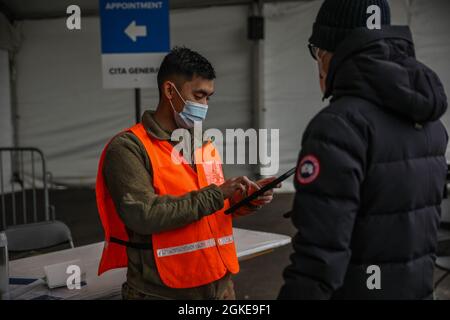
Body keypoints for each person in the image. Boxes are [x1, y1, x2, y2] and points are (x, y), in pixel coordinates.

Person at [278, 0, 448, 300]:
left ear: (330, 53)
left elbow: (318, 261)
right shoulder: (430, 120)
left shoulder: (338, 127)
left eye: (316, 52)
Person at [96, 47, 278, 300]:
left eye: (209, 98)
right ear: (169, 91)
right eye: (199, 95)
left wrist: (245, 198)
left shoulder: (203, 144)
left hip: (219, 285)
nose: (204, 105)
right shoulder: (129, 148)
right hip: (162, 291)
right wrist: (217, 194)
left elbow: (215, 208)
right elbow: (143, 215)